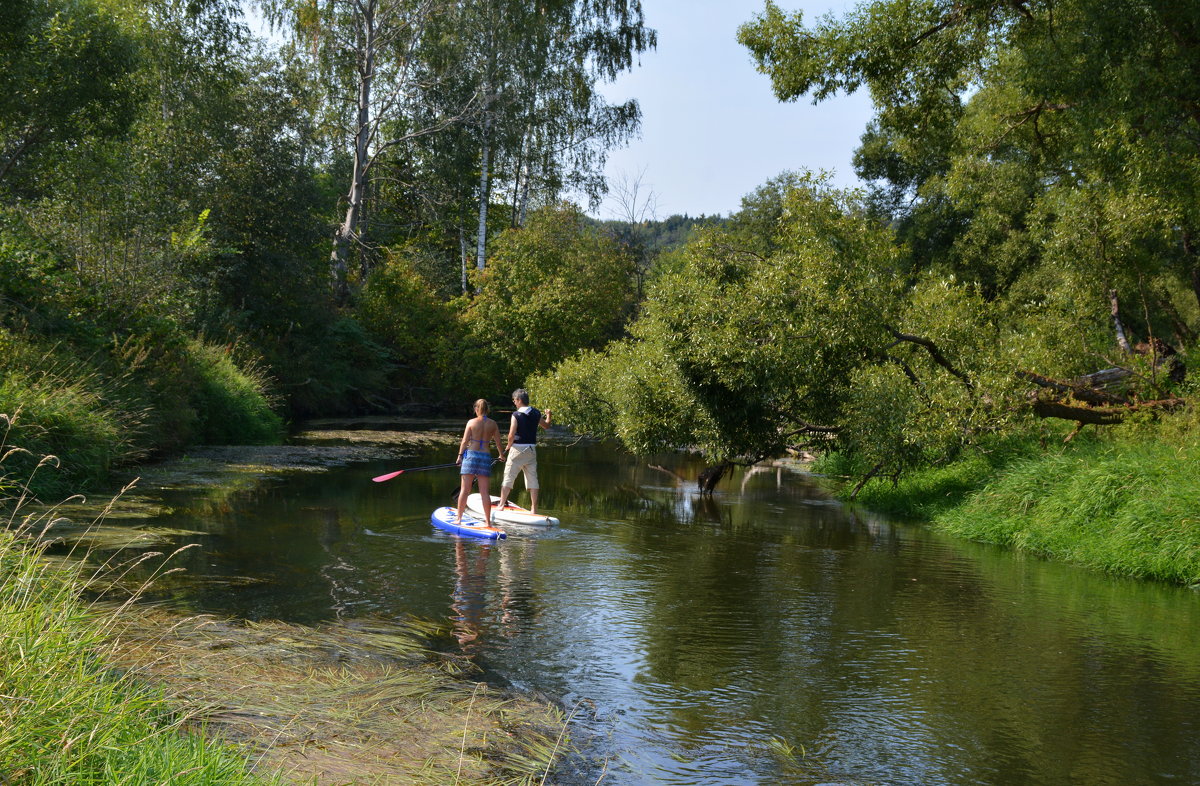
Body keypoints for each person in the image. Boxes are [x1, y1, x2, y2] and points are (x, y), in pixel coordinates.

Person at [497, 388, 552, 514]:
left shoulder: (516, 415)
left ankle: (501, 505)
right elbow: (547, 426)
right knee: (533, 478)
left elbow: (511, 434)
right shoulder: (536, 413)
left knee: (509, 476)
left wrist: (508, 446)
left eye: (515, 400)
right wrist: (549, 414)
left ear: (519, 400)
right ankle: (533, 508)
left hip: (517, 449)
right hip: (531, 450)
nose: (514, 403)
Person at [455, 399, 503, 525]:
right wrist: (501, 455)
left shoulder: (471, 422)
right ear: (487, 409)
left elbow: (465, 441)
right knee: (484, 492)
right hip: (485, 457)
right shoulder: (493, 424)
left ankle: (458, 519)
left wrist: (460, 456)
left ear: (476, 409)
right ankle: (488, 522)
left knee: (465, 490)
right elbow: (498, 442)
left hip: (471, 456)